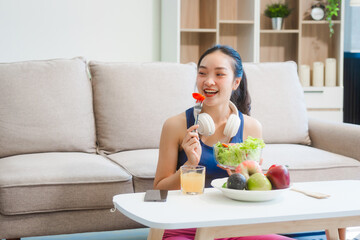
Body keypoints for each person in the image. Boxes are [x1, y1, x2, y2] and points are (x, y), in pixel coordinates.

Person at [153, 45, 294, 240]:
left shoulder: (252, 128)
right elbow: (159, 191)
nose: (208, 81)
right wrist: (189, 166)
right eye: (202, 73)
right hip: (183, 225)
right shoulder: (175, 125)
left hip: (235, 225)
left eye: (219, 74)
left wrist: (246, 178)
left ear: (236, 82)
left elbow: (256, 192)